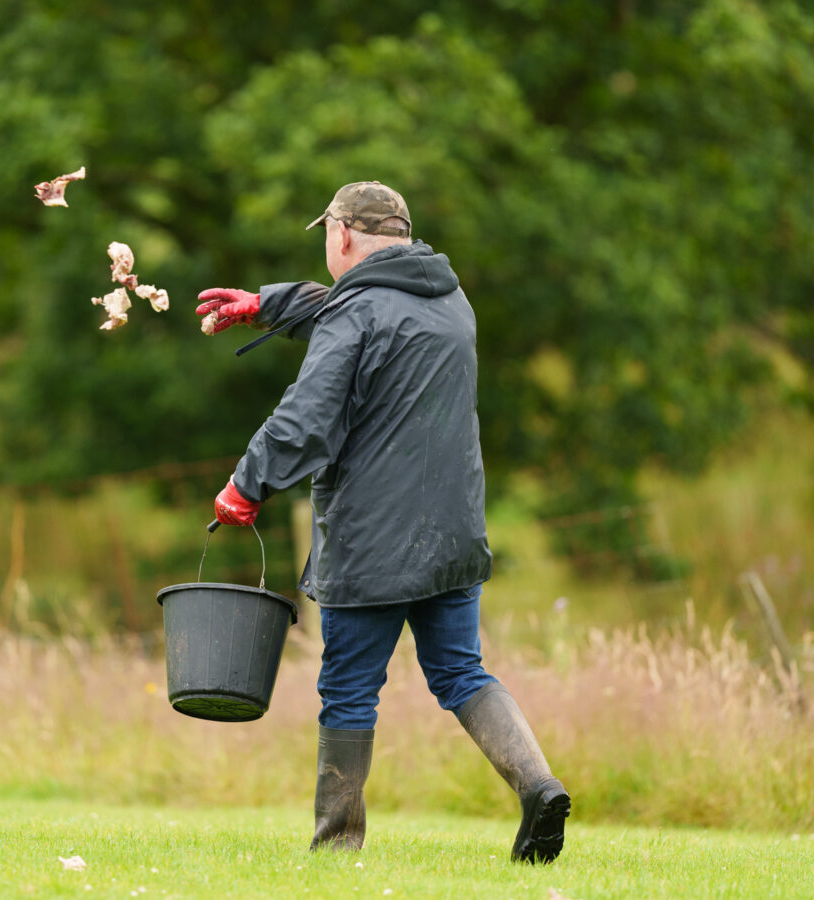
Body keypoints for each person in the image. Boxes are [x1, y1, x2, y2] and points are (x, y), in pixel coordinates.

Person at [195, 182, 570, 863]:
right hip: (453, 532)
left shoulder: (359, 310)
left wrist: (245, 485)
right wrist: (266, 305)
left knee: (347, 690)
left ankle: (337, 847)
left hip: (373, 539)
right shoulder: (449, 298)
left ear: (341, 235)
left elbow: (308, 414)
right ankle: (539, 786)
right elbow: (363, 314)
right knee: (461, 671)